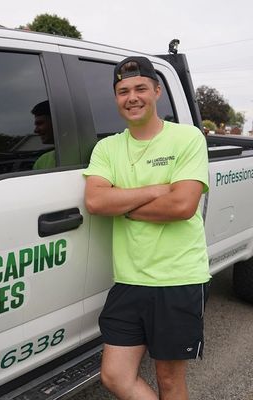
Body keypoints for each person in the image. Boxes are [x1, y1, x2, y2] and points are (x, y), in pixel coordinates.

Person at [83, 56, 211, 400]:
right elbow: (95, 201)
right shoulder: (107, 148)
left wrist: (123, 206)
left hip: (177, 279)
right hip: (129, 280)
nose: (132, 97)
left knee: (169, 381)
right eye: (123, 91)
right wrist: (157, 190)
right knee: (115, 376)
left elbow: (183, 206)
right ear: (116, 98)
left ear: (157, 91)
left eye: (140, 88)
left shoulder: (187, 138)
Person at [31, 100, 56, 170]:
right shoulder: (41, 161)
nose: (35, 130)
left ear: (56, 122)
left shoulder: (88, 157)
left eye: (40, 123)